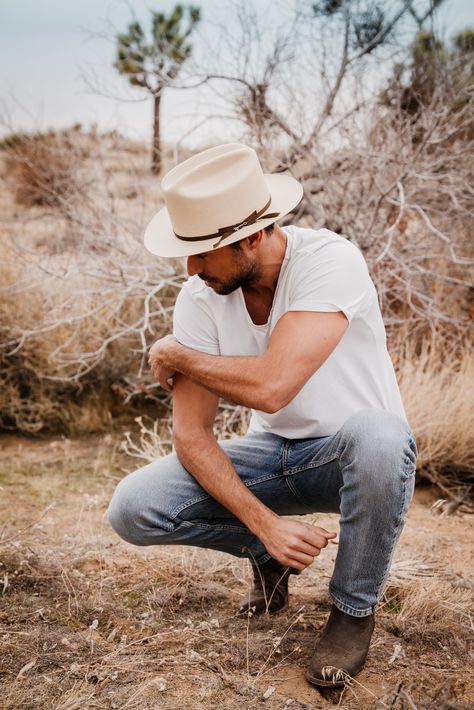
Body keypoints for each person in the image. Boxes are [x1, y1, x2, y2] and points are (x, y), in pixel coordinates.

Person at [107, 143, 418, 688]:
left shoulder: (329, 261)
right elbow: (192, 435)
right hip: (272, 457)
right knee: (133, 508)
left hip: (351, 456)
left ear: (252, 236)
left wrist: (178, 356)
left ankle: (351, 611)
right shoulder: (200, 296)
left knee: (382, 435)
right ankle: (265, 555)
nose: (190, 267)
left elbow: (274, 386)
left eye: (204, 251)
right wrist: (263, 525)